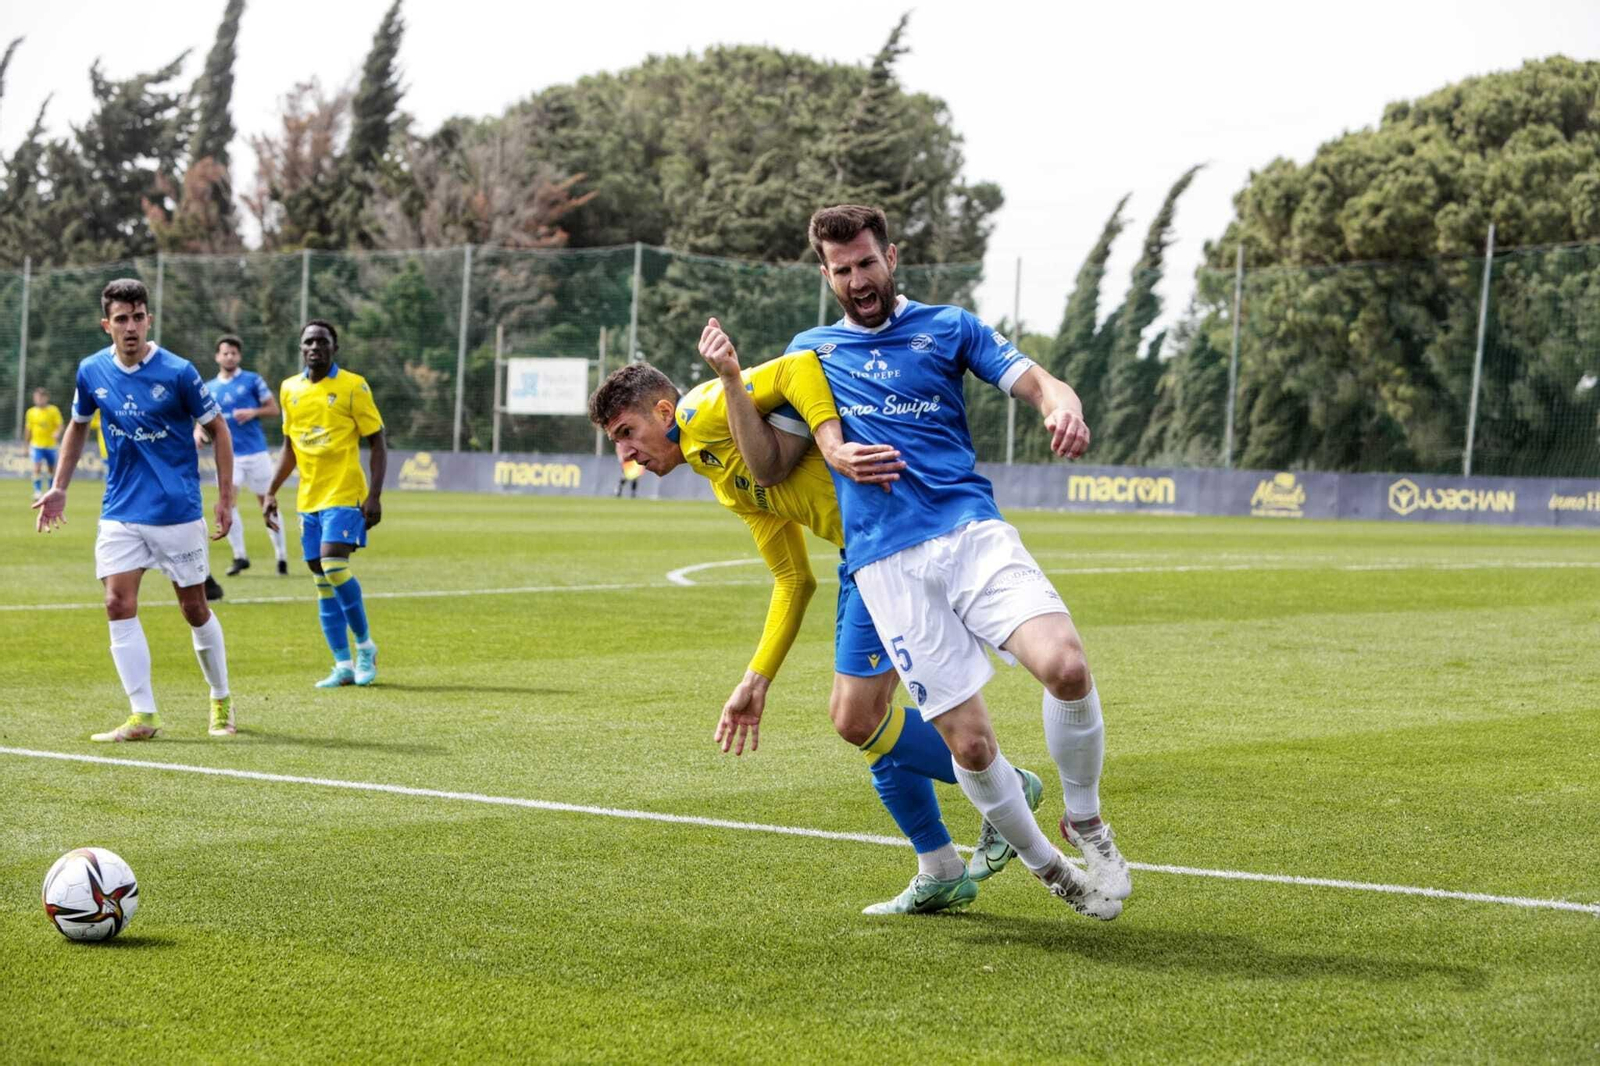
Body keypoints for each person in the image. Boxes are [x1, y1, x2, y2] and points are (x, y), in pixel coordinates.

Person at [722, 204, 1133, 920]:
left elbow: (1038, 381)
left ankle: (1088, 820)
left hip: (969, 531)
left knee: (1066, 664)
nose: (857, 280)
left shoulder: (948, 326)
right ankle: (1052, 870)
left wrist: (1059, 406)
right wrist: (738, 384)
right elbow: (766, 464)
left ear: (892, 256)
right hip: (887, 567)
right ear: (826, 274)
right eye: (842, 270)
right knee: (970, 746)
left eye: (867, 263)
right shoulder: (808, 351)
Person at [590, 351, 1045, 915]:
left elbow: (799, 366)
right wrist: (757, 679)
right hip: (866, 556)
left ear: (663, 411)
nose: (625, 453)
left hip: (896, 541)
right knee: (868, 722)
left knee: (856, 718)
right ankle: (941, 867)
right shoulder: (723, 479)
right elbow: (791, 579)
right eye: (615, 441)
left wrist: (829, 444)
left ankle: (1004, 787)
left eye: (627, 433)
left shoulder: (702, 408)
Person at [32, 278, 238, 740]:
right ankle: (143, 714)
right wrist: (59, 487)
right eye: (121, 319)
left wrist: (226, 498)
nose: (131, 327)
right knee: (116, 603)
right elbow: (78, 426)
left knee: (194, 608)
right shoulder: (90, 371)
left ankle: (221, 698)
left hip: (177, 512)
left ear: (149, 320)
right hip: (120, 511)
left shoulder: (179, 372)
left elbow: (219, 429)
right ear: (107, 324)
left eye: (138, 317)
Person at [263, 320, 386, 689]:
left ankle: (365, 647)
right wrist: (271, 491)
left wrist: (375, 495)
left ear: (335, 347)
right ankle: (342, 664)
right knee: (321, 580)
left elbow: (378, 442)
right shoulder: (289, 389)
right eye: (308, 342)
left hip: (345, 494)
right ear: (301, 348)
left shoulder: (353, 386)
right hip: (309, 498)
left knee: (334, 566)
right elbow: (290, 448)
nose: (314, 347)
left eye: (321, 341)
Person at [198, 334, 288, 578]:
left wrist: (253, 411)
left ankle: (281, 556)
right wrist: (198, 432)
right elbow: (201, 418)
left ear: (239, 356)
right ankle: (240, 556)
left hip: (256, 453)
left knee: (267, 504)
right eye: (225, 352)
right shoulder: (209, 387)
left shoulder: (252, 380)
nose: (229, 356)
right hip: (229, 457)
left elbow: (273, 408)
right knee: (228, 502)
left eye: (233, 353)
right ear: (217, 356)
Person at [23, 386, 63, 499]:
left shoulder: (53, 410)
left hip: (51, 445)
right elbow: (28, 430)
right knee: (37, 467)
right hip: (36, 445)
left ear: (46, 398)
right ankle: (37, 491)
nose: (39, 399)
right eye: (36, 397)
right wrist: (26, 446)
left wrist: (57, 432)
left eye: (41, 397)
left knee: (51, 469)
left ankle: (50, 490)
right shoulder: (31, 412)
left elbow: (60, 425)